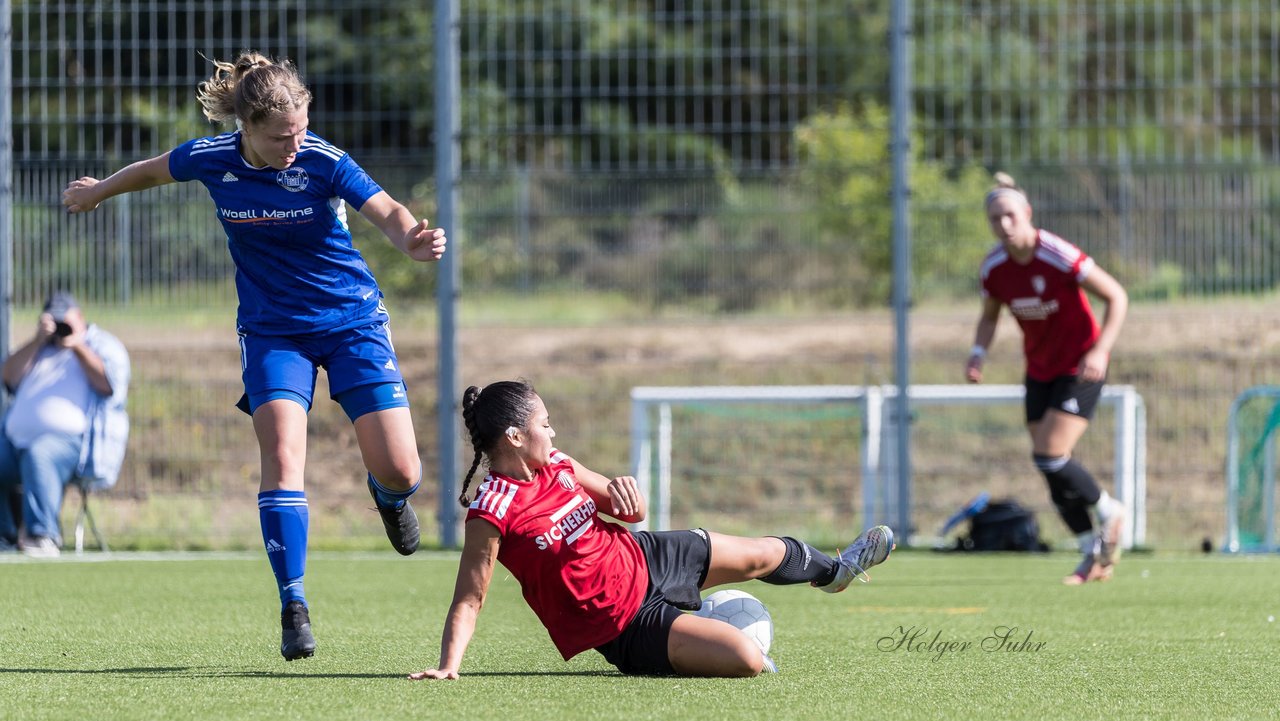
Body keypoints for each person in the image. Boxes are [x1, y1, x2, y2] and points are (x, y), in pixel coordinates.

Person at [62, 52, 447, 659]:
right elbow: (151, 171)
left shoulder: (322, 160)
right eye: (279, 137)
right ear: (245, 127)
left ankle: (390, 497)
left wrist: (412, 240)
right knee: (281, 454)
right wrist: (100, 191)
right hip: (273, 331)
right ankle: (293, 602)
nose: (294, 144)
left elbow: (388, 211)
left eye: (299, 130)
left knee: (401, 469)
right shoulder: (210, 159)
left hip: (352, 322)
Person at [408, 380, 895, 680]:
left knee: (766, 553)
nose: (553, 434)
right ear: (515, 436)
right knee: (747, 661)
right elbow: (470, 598)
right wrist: (450, 664)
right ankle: (708, 628)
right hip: (622, 625)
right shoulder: (492, 510)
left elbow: (628, 512)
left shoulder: (557, 463)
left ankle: (837, 571)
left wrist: (627, 494)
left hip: (644, 557)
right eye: (545, 424)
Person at [965, 172, 1129, 585]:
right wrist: (978, 354)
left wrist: (1100, 350)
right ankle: (1091, 553)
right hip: (1039, 369)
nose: (1003, 225)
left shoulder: (1057, 254)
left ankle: (1110, 510)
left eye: (1009, 216)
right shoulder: (994, 268)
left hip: (1080, 366)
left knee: (1050, 455)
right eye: (995, 219)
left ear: (1027, 214)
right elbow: (989, 318)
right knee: (1049, 466)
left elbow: (1116, 296)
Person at [0, 292, 130, 557]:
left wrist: (77, 345)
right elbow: (8, 377)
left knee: (40, 453)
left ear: (80, 317)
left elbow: (110, 386)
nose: (59, 327)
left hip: (73, 446)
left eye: (64, 320)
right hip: (15, 443)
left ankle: (42, 535)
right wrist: (37, 340)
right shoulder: (39, 348)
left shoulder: (100, 344)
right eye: (54, 320)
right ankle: (5, 534)